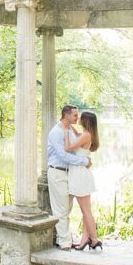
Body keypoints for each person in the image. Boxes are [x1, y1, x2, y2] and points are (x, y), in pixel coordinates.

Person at [46, 105, 91, 250]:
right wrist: (84, 162)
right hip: (58, 172)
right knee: (61, 209)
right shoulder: (56, 132)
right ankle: (65, 243)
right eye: (75, 115)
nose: (77, 117)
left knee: (67, 208)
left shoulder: (71, 129)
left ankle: (63, 239)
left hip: (70, 173)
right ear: (66, 115)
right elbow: (63, 155)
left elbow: (76, 147)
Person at [64, 110, 101, 250]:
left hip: (80, 175)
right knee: (86, 210)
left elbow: (68, 148)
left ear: (86, 121)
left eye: (81, 117)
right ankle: (85, 240)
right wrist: (69, 127)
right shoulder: (86, 134)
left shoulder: (86, 135)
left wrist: (66, 132)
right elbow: (77, 134)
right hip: (82, 174)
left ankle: (94, 239)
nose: (78, 118)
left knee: (86, 211)